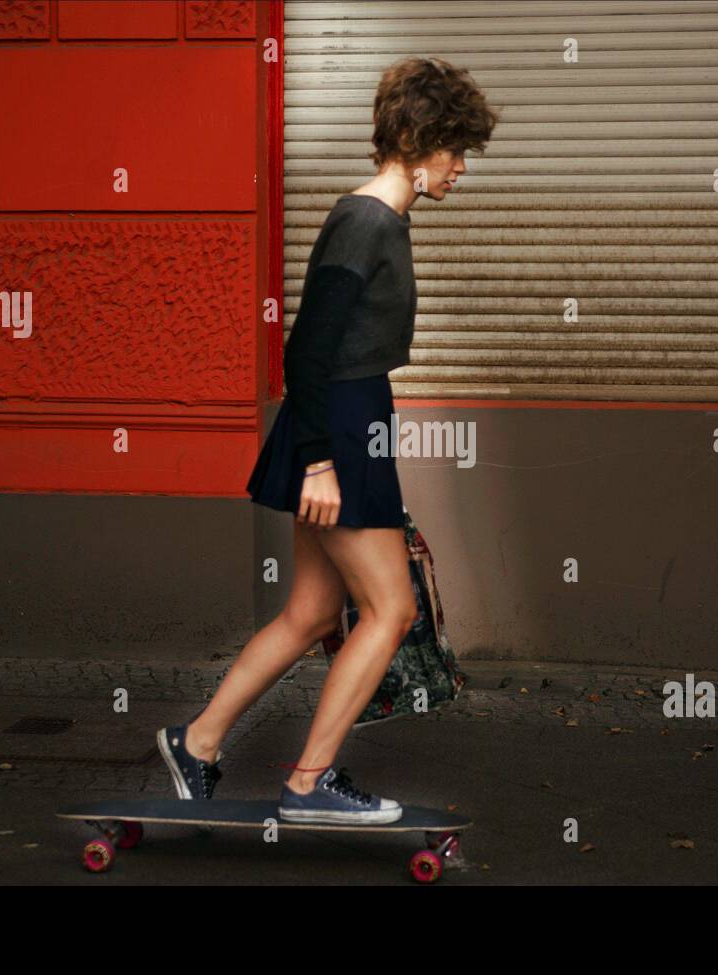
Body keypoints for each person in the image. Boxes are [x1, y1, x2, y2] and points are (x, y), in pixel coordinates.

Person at [157, 57, 498, 824]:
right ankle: (310, 783)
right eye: (456, 149)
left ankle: (198, 742)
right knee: (392, 610)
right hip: (339, 427)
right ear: (422, 138)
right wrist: (319, 461)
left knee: (313, 612)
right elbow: (306, 349)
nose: (462, 168)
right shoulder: (368, 218)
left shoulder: (383, 218)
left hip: (353, 416)